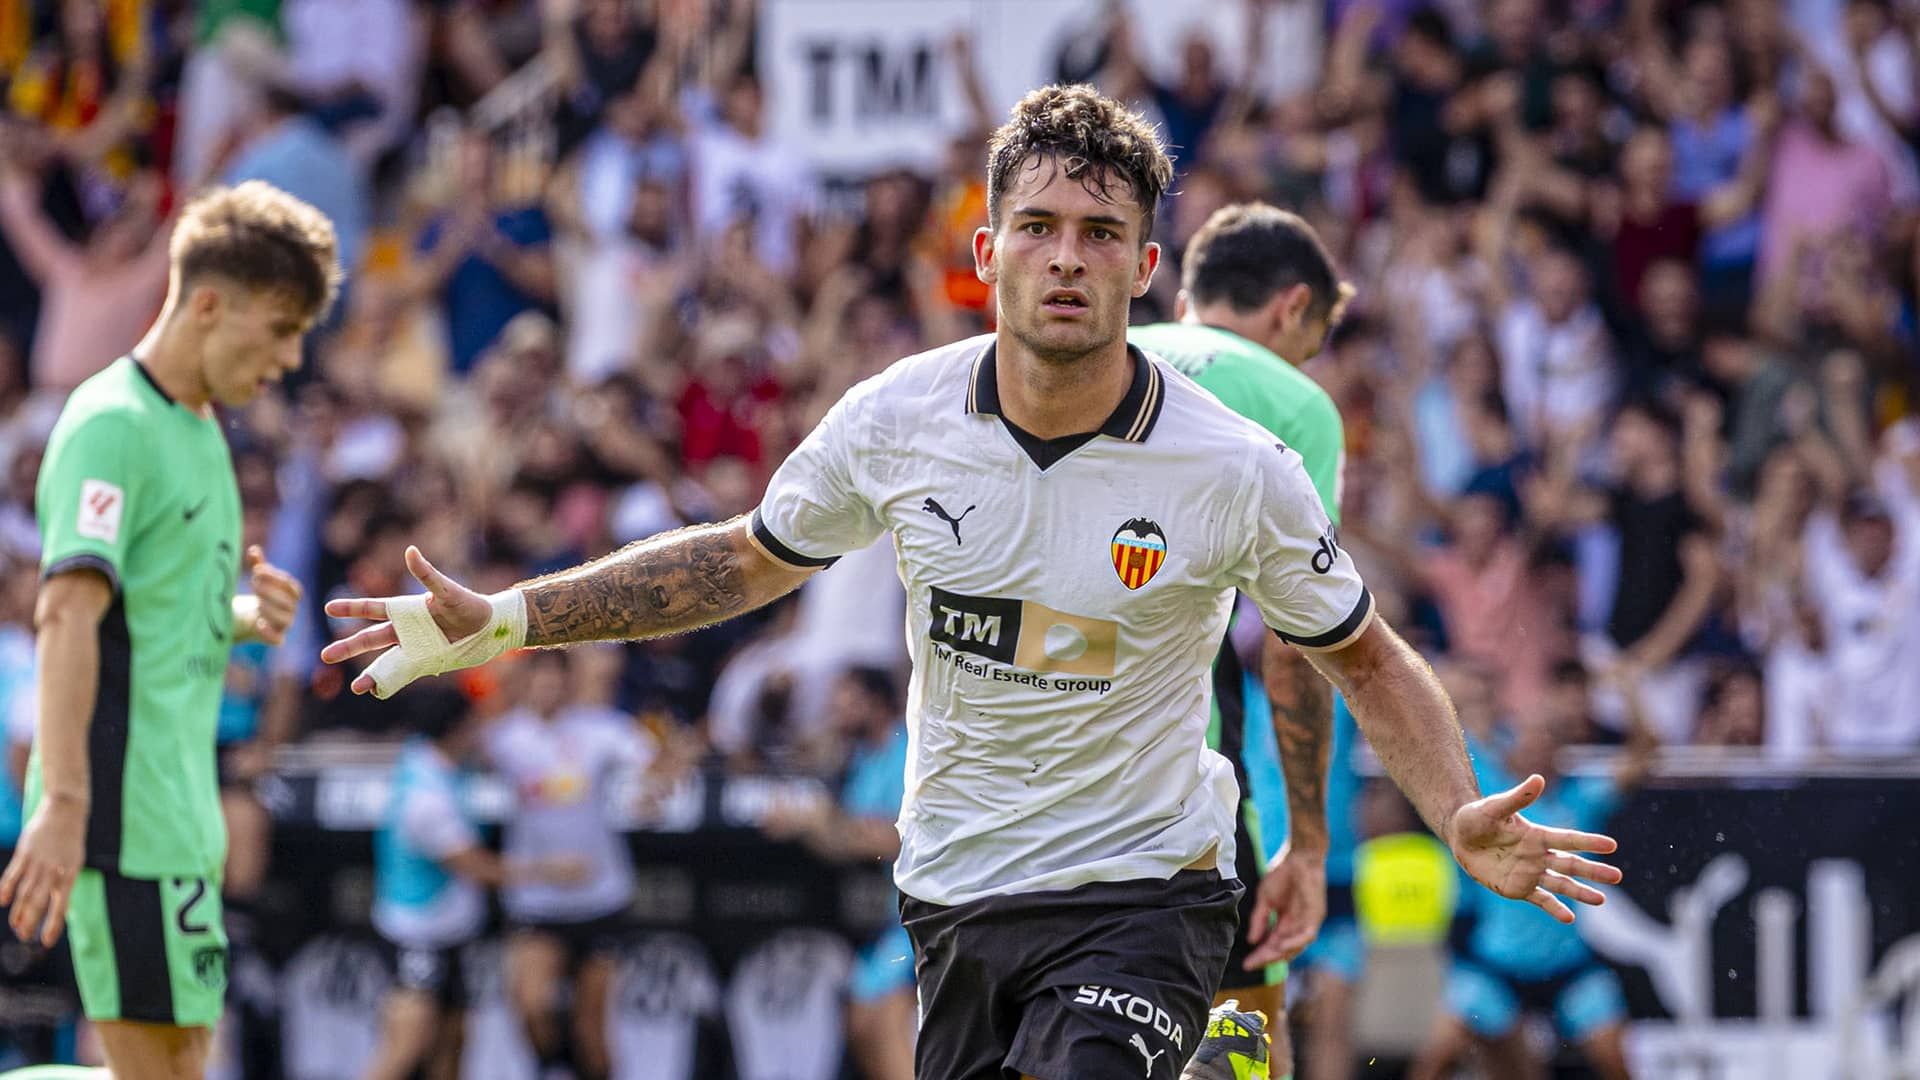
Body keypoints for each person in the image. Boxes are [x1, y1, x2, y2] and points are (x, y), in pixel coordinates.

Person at [320, 85, 1622, 1080]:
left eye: (1101, 235)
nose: (1069, 257)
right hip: (958, 892)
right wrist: (507, 618)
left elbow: (1361, 654)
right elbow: (739, 561)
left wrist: (1453, 807)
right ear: (987, 251)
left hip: (1148, 892)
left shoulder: (1238, 465)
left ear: (1145, 269)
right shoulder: (898, 418)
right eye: (1041, 230)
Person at [0, 180, 338, 1080]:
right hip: (118, 816)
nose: (293, 356)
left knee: (180, 1068)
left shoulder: (202, 434)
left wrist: (238, 617)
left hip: (182, 824)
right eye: (280, 328)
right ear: (210, 304)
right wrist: (65, 807)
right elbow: (67, 614)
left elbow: (149, 620)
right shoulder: (112, 424)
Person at [1128, 203, 1353, 1079]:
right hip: (1183, 773)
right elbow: (1300, 640)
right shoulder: (1293, 400)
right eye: (1317, 336)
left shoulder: (1102, 357)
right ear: (1293, 307)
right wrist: (1308, 839)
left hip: (1021, 767)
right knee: (1245, 1036)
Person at [362, 678, 587, 1080]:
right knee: (405, 1045)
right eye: (472, 721)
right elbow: (478, 867)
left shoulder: (438, 759)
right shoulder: (425, 800)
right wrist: (550, 871)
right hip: (418, 936)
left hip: (453, 937)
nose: (480, 728)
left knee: (453, 1041)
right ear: (455, 728)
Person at [762, 665, 916, 1080]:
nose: (836, 710)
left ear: (876, 700)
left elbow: (896, 841)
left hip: (919, 913)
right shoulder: (865, 756)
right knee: (862, 1023)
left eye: (846, 700)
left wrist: (821, 820)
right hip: (888, 918)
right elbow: (845, 844)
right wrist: (802, 825)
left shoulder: (907, 750)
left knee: (885, 1021)